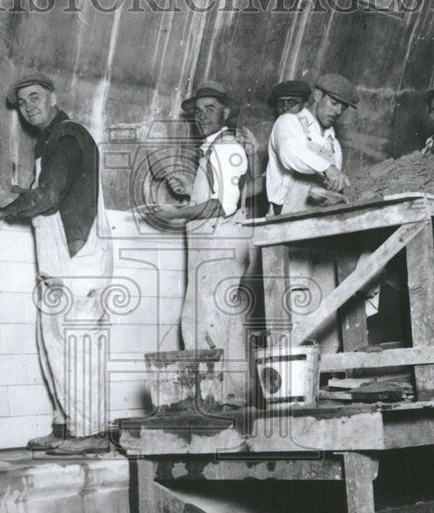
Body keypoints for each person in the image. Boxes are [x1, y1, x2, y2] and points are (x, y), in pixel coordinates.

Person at [0, 75, 113, 455]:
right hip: (60, 263)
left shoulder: (66, 136)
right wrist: (11, 196)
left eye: (35, 98)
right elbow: (50, 195)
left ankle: (91, 433)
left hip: (78, 263)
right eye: (23, 102)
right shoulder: (50, 142)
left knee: (76, 346)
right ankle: (66, 427)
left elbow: (48, 197)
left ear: (53, 98)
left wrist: (4, 210)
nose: (29, 106)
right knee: (55, 346)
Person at [151, 82, 253, 407]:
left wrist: (178, 212)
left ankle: (209, 402)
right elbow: (213, 196)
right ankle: (233, 400)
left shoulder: (226, 148)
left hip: (217, 250)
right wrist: (188, 190)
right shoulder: (213, 150)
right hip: (216, 250)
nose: (202, 115)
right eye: (198, 111)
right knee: (227, 325)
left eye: (210, 109)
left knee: (201, 321)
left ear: (225, 112)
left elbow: (222, 205)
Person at [265, 73, 357, 215]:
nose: (338, 111)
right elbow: (289, 154)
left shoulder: (333, 143)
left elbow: (331, 184)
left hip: (317, 218)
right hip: (284, 216)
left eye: (343, 107)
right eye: (334, 103)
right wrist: (327, 168)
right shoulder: (288, 121)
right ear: (318, 96)